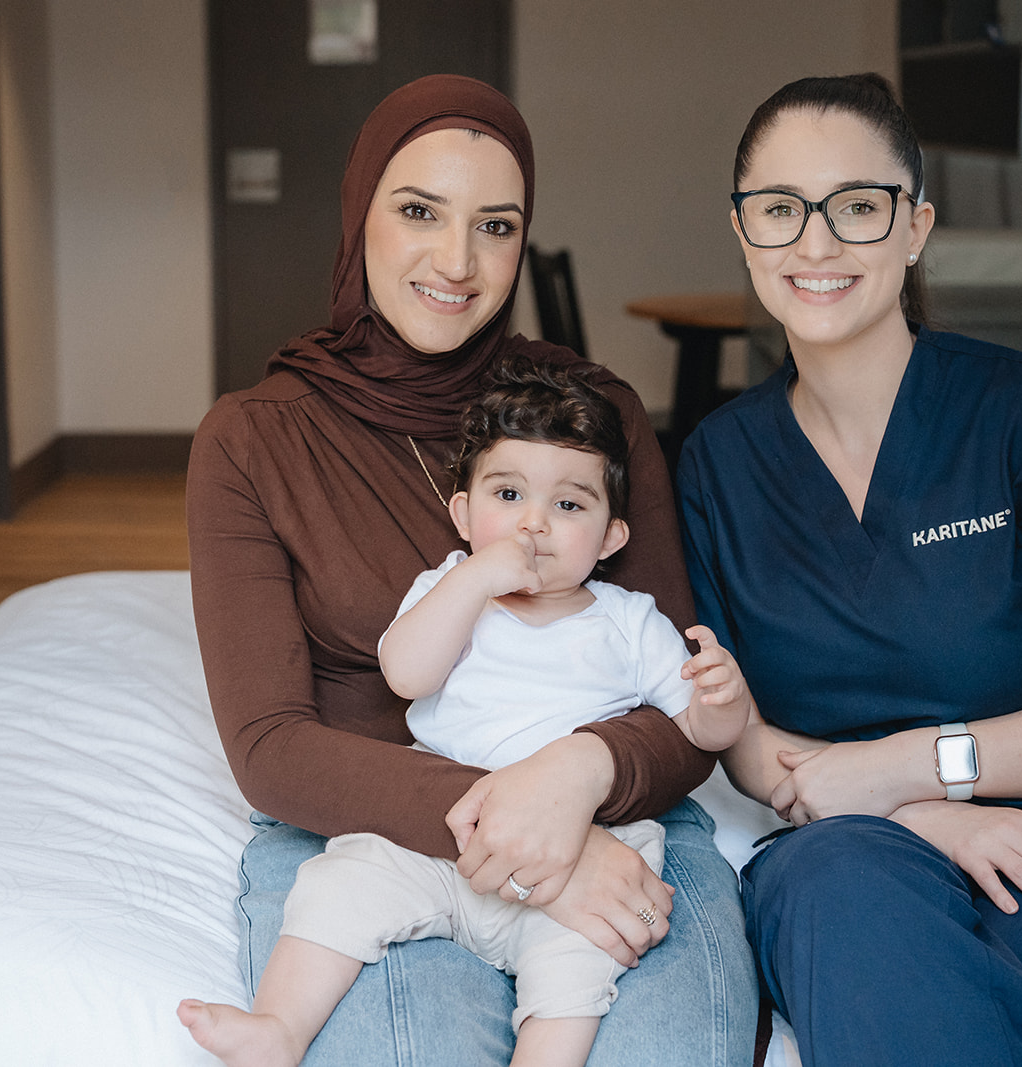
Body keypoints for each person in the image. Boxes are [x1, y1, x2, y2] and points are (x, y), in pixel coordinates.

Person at [183, 73, 756, 1066]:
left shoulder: (594, 415)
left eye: (495, 226)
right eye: (419, 212)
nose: (457, 261)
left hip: (615, 817)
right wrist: (524, 835)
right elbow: (271, 745)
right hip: (371, 831)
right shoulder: (254, 438)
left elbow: (677, 696)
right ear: (360, 218)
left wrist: (577, 780)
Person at [676, 73, 1022, 1067]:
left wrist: (911, 764)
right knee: (835, 894)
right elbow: (744, 734)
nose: (815, 243)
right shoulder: (719, 463)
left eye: (857, 206)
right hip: (858, 855)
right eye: (780, 208)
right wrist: (925, 816)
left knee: (888, 967)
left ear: (915, 227)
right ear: (742, 229)